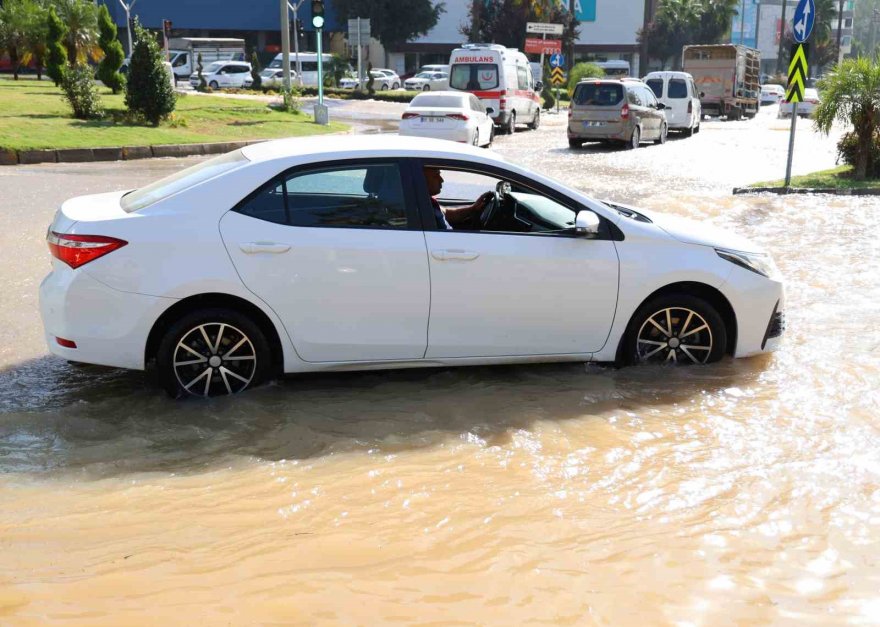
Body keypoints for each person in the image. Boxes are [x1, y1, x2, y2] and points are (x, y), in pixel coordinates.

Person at [423, 166, 495, 230]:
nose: (441, 180)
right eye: (436, 176)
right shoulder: (420, 207)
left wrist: (473, 208)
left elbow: (447, 213)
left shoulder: (427, 201)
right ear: (422, 180)